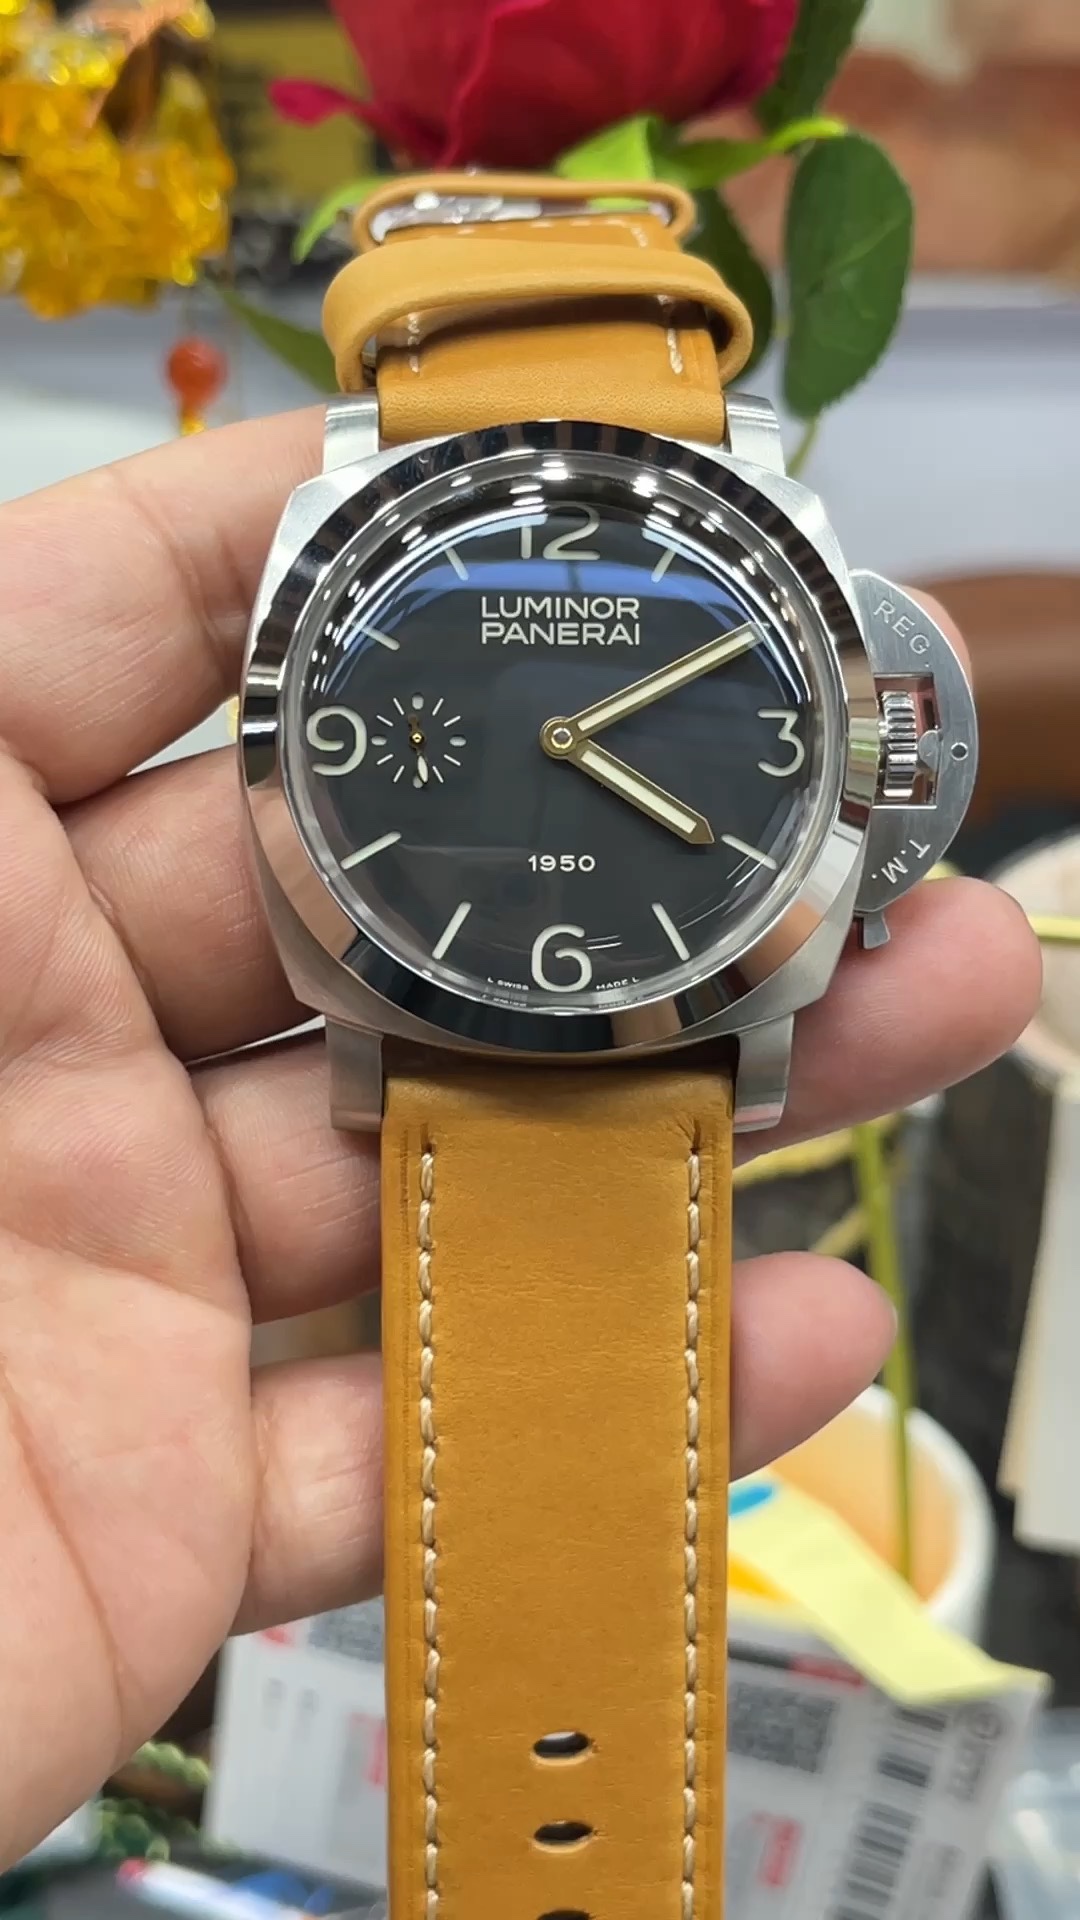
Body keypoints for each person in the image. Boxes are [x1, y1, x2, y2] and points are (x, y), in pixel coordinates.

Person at [0, 407, 1041, 1865]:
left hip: (608, 1005)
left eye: (575, 734)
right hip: (443, 1002)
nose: (557, 736)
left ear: (884, 750)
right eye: (541, 726)